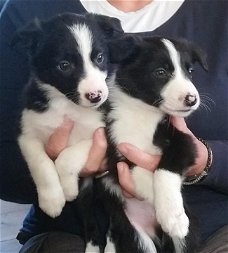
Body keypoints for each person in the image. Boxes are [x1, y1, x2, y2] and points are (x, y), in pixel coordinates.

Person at [0, 0, 227, 252]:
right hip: (79, 230)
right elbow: (5, 166)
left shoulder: (219, 11)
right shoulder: (27, 11)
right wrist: (53, 167)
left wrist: (208, 162)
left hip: (215, 227)